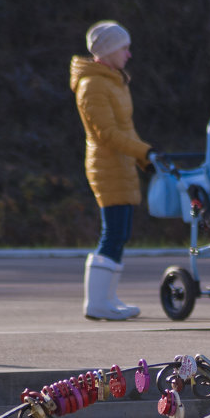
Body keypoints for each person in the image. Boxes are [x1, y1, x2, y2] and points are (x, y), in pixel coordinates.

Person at [70, 20, 153, 320]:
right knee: (113, 232)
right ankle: (96, 303)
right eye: (124, 48)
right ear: (107, 51)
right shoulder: (92, 85)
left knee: (121, 233)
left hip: (122, 164)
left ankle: (107, 298)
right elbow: (106, 133)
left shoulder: (113, 80)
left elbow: (126, 129)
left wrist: (145, 159)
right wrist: (145, 152)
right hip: (107, 167)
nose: (129, 54)